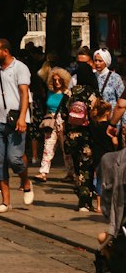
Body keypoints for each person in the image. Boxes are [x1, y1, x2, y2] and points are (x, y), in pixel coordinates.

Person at [0, 38, 33, 213]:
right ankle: (5, 201)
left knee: (14, 158)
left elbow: (24, 94)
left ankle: (26, 181)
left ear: (5, 51)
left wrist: (22, 117)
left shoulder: (20, 68)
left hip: (15, 119)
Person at [61, 57, 99, 212]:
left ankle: (80, 196)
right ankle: (86, 201)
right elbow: (96, 114)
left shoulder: (70, 92)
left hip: (71, 135)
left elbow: (63, 113)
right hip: (87, 136)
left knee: (77, 168)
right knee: (87, 168)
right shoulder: (92, 93)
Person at [36, 67, 70, 181]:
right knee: (48, 146)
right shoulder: (50, 92)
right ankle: (43, 172)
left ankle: (70, 172)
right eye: (54, 80)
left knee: (65, 148)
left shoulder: (67, 93)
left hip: (63, 120)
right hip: (51, 120)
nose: (57, 82)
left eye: (59, 80)